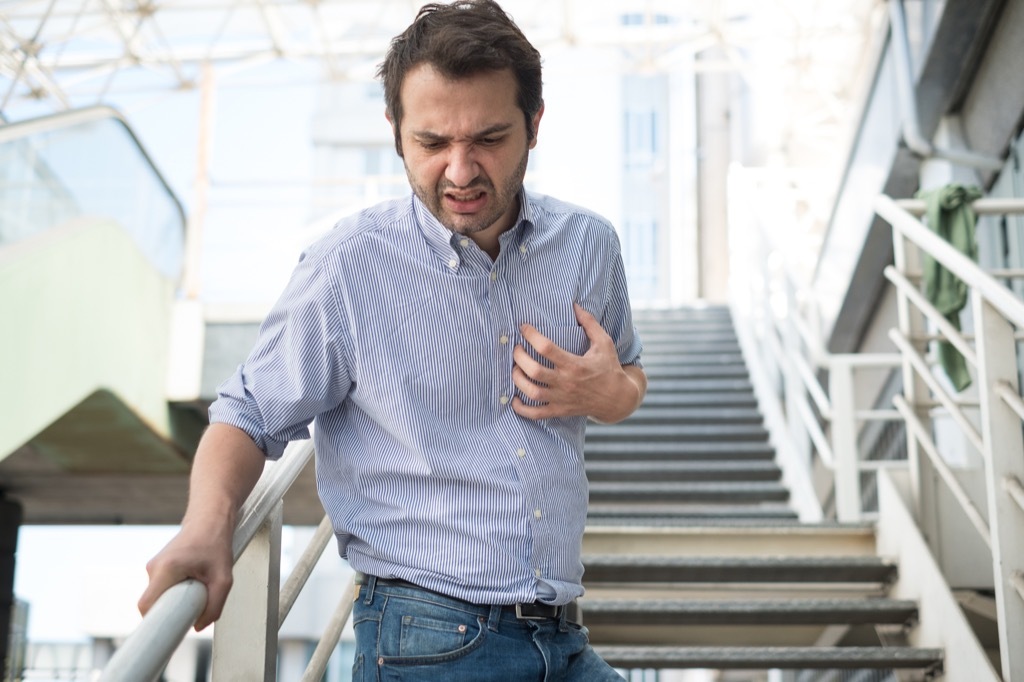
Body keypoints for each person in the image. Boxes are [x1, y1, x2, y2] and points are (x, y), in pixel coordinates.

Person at [139, 1, 646, 679]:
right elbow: (248, 414)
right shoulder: (349, 265)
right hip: (427, 639)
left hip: (561, 636)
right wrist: (205, 529)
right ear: (396, 131)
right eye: (433, 143)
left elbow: (628, 377)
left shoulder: (589, 247)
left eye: (489, 139)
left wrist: (614, 395)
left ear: (534, 124)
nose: (461, 172)